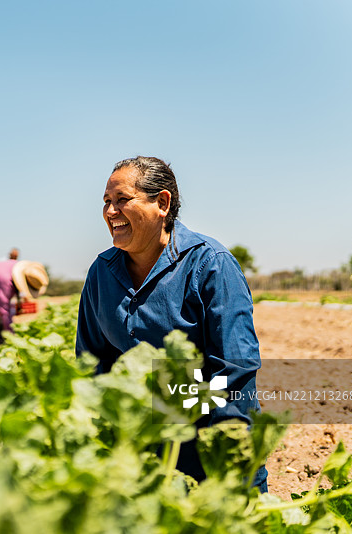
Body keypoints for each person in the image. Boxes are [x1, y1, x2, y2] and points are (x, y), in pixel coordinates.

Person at [75, 156, 267, 491]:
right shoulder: (100, 273)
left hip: (207, 451)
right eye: (106, 202)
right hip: (138, 458)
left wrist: (227, 457)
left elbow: (235, 369)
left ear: (162, 203)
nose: (110, 211)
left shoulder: (211, 264)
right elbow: (91, 363)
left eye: (122, 200)